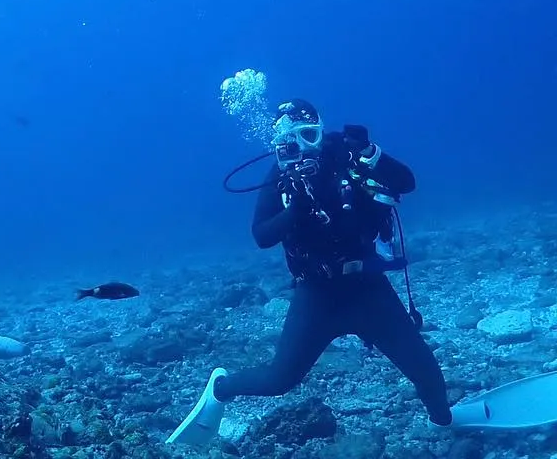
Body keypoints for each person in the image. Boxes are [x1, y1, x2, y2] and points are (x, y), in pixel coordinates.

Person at [168, 99, 451, 447]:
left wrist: (371, 152)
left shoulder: (346, 155)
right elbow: (262, 235)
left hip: (368, 288)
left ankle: (445, 427)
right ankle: (220, 388)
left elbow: (406, 183)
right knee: (279, 380)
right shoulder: (280, 175)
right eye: (291, 141)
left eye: (309, 134)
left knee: (427, 373)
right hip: (316, 295)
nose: (302, 147)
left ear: (320, 130)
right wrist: (296, 210)